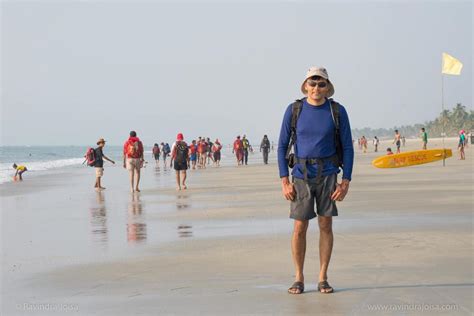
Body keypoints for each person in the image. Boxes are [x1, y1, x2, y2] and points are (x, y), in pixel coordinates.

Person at [278, 66, 354, 295]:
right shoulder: (294, 110)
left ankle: (323, 277)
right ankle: (299, 277)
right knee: (300, 226)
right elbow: (282, 146)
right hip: (301, 176)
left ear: (327, 87)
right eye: (312, 83)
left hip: (329, 174)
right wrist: (284, 180)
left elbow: (348, 147)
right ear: (305, 85)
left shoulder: (337, 111)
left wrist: (346, 181)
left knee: (325, 225)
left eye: (321, 84)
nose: (316, 88)